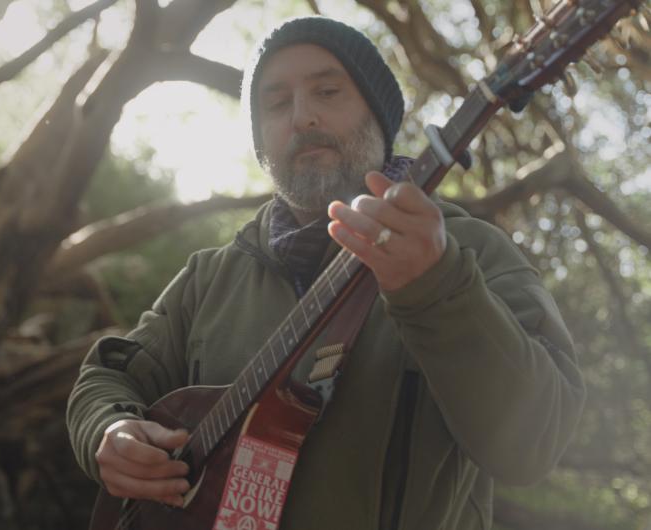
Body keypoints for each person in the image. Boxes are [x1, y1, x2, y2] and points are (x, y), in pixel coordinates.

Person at [67, 16, 586, 530]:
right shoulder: (211, 277)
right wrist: (108, 429)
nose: (302, 117)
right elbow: (109, 375)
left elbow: (533, 444)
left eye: (328, 91)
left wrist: (436, 286)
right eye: (275, 104)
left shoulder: (469, 252)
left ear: (379, 118)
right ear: (261, 142)